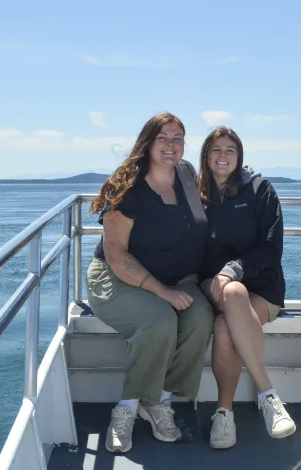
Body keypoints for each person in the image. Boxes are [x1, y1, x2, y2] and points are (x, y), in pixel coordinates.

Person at [86, 113, 214, 453]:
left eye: (178, 138)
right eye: (164, 138)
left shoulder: (187, 175)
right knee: (159, 319)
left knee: (201, 318)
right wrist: (164, 293)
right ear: (148, 142)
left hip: (179, 278)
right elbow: (116, 254)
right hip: (118, 279)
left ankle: (159, 402)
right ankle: (127, 407)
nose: (171, 145)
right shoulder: (127, 186)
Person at [196, 126, 296, 449]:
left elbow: (271, 249)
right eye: (216, 150)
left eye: (230, 150)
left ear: (239, 157)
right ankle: (269, 397)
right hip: (213, 287)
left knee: (226, 327)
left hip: (263, 290)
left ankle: (225, 413)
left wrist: (233, 271)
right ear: (207, 156)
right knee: (231, 294)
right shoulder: (196, 195)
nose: (223, 156)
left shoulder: (260, 191)